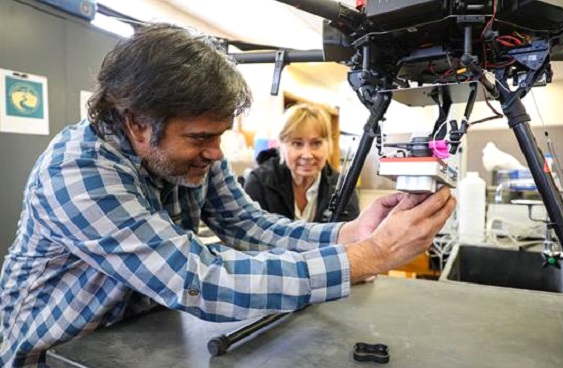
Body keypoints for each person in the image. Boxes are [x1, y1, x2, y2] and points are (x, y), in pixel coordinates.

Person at [0, 23, 456, 368]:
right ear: (137, 123)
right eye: (200, 138)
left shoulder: (195, 153)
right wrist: (366, 257)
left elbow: (248, 225)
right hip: (54, 353)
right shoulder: (78, 173)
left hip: (139, 341)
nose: (215, 153)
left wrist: (349, 234)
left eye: (219, 135)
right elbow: (198, 278)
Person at [244, 103, 360, 222]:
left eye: (316, 143)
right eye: (297, 144)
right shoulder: (259, 183)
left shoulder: (343, 188)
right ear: (281, 146)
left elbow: (351, 236)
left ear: (329, 145)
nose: (307, 155)